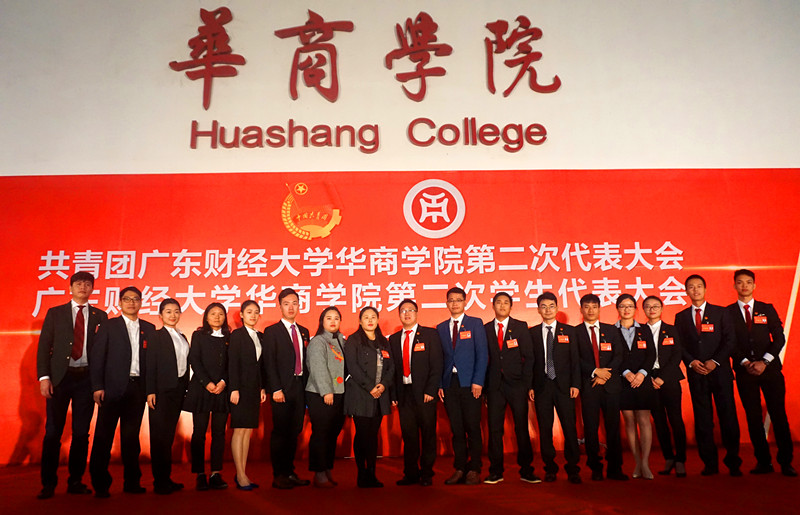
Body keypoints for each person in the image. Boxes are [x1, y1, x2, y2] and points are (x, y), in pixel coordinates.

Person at [36, 272, 107, 499]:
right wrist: (44, 377)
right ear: (70, 288)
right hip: (60, 378)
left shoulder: (100, 316)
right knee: (53, 432)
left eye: (87, 284)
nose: (83, 287)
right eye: (78, 283)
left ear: (92, 289)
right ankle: (48, 483)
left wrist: (99, 383)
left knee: (81, 433)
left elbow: (103, 351)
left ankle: (75, 480)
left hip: (86, 380)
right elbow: (44, 346)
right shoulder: (55, 313)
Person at [727, 269, 795, 476]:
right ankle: (763, 462)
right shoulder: (727, 313)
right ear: (734, 286)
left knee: (778, 414)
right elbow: (728, 342)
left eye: (748, 282)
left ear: (754, 285)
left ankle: (786, 462)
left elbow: (779, 338)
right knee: (753, 417)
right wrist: (746, 362)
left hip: (770, 370)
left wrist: (764, 361)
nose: (744, 286)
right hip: (745, 371)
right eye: (740, 282)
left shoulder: (767, 309)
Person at [89, 286, 156, 497]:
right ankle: (100, 484)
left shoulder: (149, 328)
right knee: (103, 437)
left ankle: (132, 482)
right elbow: (97, 357)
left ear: (141, 302)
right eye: (127, 299)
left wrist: (150, 389)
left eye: (135, 299)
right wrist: (97, 386)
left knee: (131, 438)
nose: (131, 303)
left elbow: (152, 363)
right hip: (111, 389)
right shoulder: (109, 326)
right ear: (119, 302)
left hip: (137, 389)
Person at [675, 274, 742, 476]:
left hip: (720, 373)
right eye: (691, 287)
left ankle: (733, 462)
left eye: (699, 286)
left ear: (705, 289)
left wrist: (716, 361)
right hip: (697, 374)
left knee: (728, 417)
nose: (695, 290)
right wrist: (691, 362)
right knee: (703, 420)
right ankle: (710, 463)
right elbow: (679, 345)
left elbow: (730, 340)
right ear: (686, 291)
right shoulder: (681, 317)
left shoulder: (721, 313)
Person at [482, 292, 538, 485]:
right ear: (493, 306)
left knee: (521, 428)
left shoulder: (520, 327)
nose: (502, 305)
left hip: (517, 385)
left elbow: (529, 357)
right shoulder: (486, 329)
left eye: (506, 302)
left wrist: (527, 384)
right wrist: (485, 389)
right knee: (495, 430)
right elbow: (483, 359)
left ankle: (527, 470)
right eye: (498, 302)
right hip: (494, 386)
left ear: (511, 306)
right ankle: (496, 471)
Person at [437, 286, 489, 486]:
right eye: (451, 300)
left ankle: (474, 468)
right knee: (457, 429)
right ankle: (459, 468)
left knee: (473, 427)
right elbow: (439, 359)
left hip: (470, 384)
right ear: (446, 303)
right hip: (450, 384)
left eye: (458, 300)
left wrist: (478, 381)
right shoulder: (441, 327)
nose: (455, 303)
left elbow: (482, 354)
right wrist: (440, 384)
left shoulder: (475, 323)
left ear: (465, 302)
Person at [389, 299, 443, 487]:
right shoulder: (394, 339)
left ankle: (427, 473)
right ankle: (411, 473)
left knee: (428, 434)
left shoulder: (430, 334)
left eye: (410, 310)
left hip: (425, 393)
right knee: (409, 435)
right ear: (399, 314)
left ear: (417, 313)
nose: (407, 313)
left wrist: (431, 389)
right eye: (403, 311)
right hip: (404, 394)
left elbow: (437, 364)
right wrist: (393, 394)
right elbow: (392, 370)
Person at [530, 292, 581, 484]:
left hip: (565, 387)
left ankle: (573, 468)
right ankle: (550, 468)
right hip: (542, 386)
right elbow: (530, 362)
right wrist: (530, 386)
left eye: (551, 306)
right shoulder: (532, 333)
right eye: (543, 306)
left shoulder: (569, 331)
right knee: (545, 429)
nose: (548, 310)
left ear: (557, 308)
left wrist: (575, 384)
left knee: (570, 428)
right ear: (538, 310)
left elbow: (575, 360)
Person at [575, 293, 627, 481]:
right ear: (581, 310)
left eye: (594, 306)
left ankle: (615, 468)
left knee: (613, 428)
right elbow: (574, 359)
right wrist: (595, 371)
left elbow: (619, 355)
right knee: (590, 428)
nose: (590, 310)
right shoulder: (575, 332)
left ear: (599, 309)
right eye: (587, 307)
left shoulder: (611, 330)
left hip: (610, 386)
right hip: (589, 386)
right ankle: (595, 467)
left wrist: (605, 374)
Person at [264, 288, 311, 489]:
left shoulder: (304, 331)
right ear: (280, 306)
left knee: (295, 431)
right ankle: (279, 475)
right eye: (286, 304)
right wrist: (275, 388)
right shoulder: (272, 331)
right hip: (281, 389)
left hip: (300, 387)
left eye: (294, 303)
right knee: (280, 432)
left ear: (299, 305)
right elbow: (269, 362)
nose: (291, 307)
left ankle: (290, 472)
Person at [344, 306, 395, 488]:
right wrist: (370, 387)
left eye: (373, 317)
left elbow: (391, 367)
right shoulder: (354, 340)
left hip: (380, 394)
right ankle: (361, 473)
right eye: (366, 317)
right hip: (361, 393)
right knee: (362, 434)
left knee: (373, 435)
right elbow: (353, 367)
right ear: (360, 321)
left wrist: (383, 385)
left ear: (378, 320)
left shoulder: (383, 341)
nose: (370, 320)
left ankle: (372, 473)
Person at [184, 302, 230, 491]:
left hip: (222, 389)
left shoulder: (230, 337)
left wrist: (223, 382)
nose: (217, 317)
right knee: (199, 432)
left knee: (219, 433)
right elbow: (194, 360)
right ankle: (200, 474)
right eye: (213, 313)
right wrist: (207, 383)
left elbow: (232, 363)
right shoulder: (198, 335)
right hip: (202, 389)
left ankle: (215, 473)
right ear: (206, 316)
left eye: (221, 314)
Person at [145, 298, 190, 494]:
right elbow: (150, 365)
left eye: (176, 311)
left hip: (177, 390)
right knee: (159, 437)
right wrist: (150, 391)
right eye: (168, 311)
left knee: (168, 436)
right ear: (160, 315)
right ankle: (159, 481)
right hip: (160, 392)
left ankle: (166, 478)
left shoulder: (182, 336)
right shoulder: (156, 336)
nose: (173, 315)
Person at [643, 295, 687, 478]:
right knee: (659, 421)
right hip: (649, 380)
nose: (652, 309)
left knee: (676, 419)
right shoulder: (639, 331)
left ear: (662, 308)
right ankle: (668, 457)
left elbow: (677, 355)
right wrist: (649, 378)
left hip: (669, 379)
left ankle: (680, 459)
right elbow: (637, 357)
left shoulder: (672, 329)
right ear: (643, 310)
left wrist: (663, 378)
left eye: (655, 306)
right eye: (648, 306)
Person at [614, 294, 656, 480]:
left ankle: (645, 463)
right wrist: (626, 372)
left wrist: (641, 374)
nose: (626, 309)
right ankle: (637, 462)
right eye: (622, 306)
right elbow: (613, 356)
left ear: (636, 309)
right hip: (623, 381)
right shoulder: (611, 330)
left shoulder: (645, 329)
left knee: (644, 420)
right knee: (629, 421)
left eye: (630, 306)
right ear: (617, 309)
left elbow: (651, 354)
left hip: (642, 380)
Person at [305, 306, 347, 488]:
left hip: (339, 393)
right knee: (321, 433)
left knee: (332, 433)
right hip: (320, 394)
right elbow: (318, 367)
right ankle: (318, 471)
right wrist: (326, 391)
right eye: (328, 318)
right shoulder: (318, 341)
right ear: (322, 321)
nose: (333, 321)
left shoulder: (341, 340)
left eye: (336, 318)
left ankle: (327, 467)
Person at [228, 300, 267, 490]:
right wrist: (234, 388)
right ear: (242, 315)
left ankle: (242, 473)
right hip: (240, 389)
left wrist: (262, 388)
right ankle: (240, 474)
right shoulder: (237, 335)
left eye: (256, 312)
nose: (253, 315)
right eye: (249, 312)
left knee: (247, 431)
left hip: (253, 389)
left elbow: (261, 366)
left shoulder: (260, 336)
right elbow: (233, 363)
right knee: (239, 429)